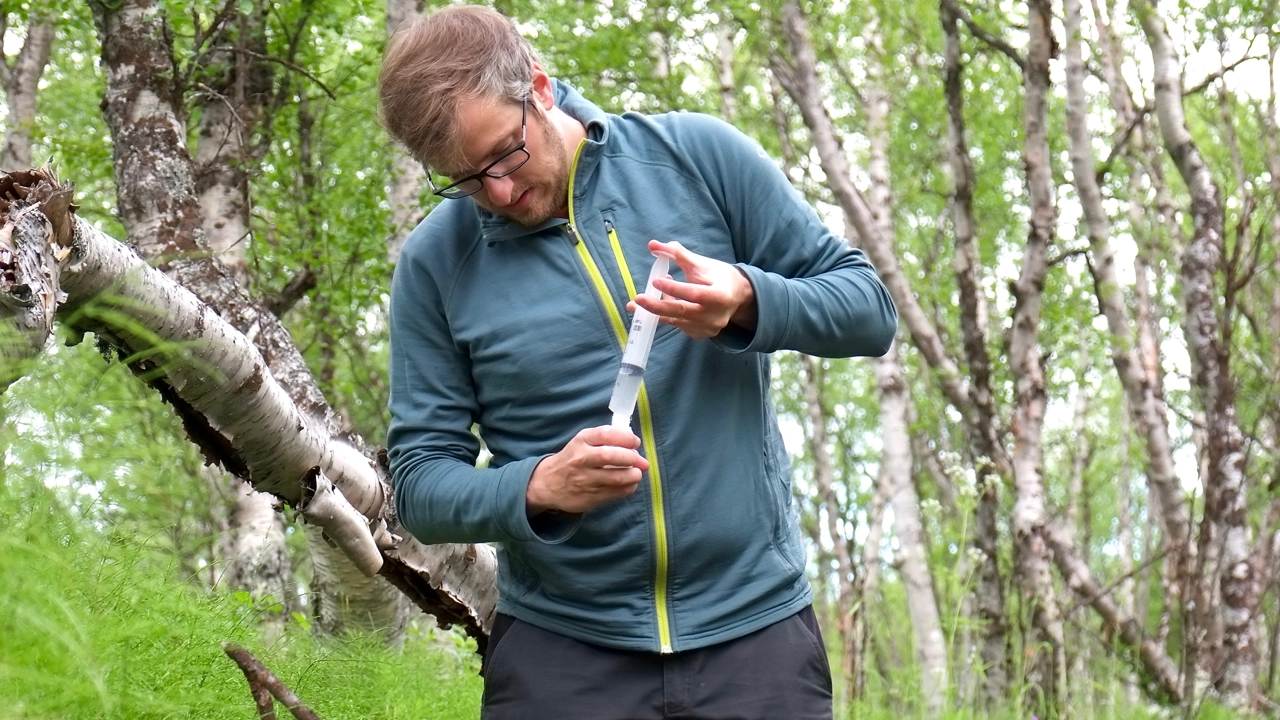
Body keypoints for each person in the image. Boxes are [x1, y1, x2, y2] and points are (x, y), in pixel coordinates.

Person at [379, 6, 897, 719]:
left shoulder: (698, 158)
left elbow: (869, 311)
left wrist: (748, 300)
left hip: (756, 634)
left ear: (539, 87)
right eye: (466, 181)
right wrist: (536, 487)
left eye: (504, 156)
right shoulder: (436, 265)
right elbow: (418, 485)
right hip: (561, 654)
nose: (497, 194)